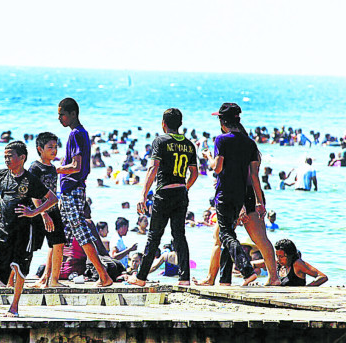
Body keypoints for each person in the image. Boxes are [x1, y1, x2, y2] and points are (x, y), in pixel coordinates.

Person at [0, 141, 57, 317]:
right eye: (5, 156)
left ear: (22, 158)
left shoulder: (30, 179)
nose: (7, 159)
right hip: (3, 229)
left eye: (10, 156)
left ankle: (14, 306)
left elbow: (52, 198)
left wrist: (34, 212)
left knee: (19, 266)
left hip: (24, 231)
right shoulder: (2, 175)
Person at [128, 108, 198, 287]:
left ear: (163, 124)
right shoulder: (189, 144)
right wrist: (185, 188)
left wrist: (143, 194)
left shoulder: (160, 141)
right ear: (180, 124)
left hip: (164, 193)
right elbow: (194, 173)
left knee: (154, 236)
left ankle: (141, 278)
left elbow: (153, 168)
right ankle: (184, 278)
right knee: (179, 236)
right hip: (181, 192)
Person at [203, 103, 263, 286]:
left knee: (226, 235)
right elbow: (253, 175)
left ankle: (246, 270)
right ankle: (225, 280)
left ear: (222, 121)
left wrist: (208, 157)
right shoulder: (249, 142)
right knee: (228, 235)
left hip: (224, 193)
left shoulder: (222, 140)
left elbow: (217, 167)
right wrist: (260, 201)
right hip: (240, 196)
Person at [56, 98, 113, 287]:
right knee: (57, 235)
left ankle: (103, 275)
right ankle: (50, 278)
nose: (59, 118)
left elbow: (76, 166)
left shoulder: (76, 134)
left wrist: (55, 169)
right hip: (70, 191)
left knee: (80, 232)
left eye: (62, 114)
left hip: (72, 190)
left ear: (73, 114)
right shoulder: (80, 133)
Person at [28, 132, 68, 288]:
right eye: (50, 147)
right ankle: (12, 280)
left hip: (53, 210)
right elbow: (32, 192)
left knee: (58, 244)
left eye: (55, 147)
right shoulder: (35, 167)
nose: (54, 150)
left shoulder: (52, 168)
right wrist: (42, 213)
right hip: (38, 211)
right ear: (40, 148)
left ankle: (53, 280)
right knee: (29, 246)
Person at [252, 239, 327, 286]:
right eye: (277, 256)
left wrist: (306, 289)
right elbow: (253, 264)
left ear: (290, 256)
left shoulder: (297, 264)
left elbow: (322, 277)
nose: (278, 259)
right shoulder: (278, 263)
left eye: (281, 257)